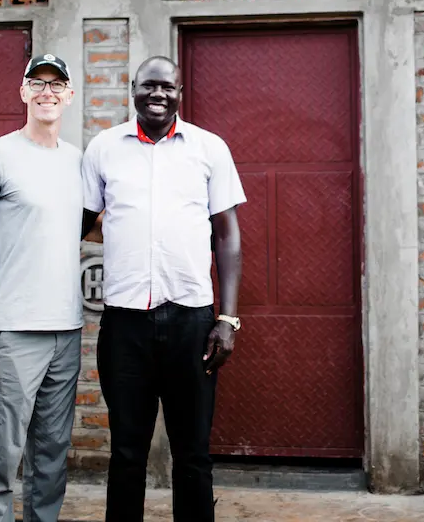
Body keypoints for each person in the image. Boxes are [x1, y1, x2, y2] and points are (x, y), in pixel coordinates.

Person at [81, 55, 246, 522]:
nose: (159, 95)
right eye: (149, 86)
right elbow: (76, 225)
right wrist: (7, 262)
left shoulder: (209, 148)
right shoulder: (103, 148)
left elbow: (228, 235)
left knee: (193, 453)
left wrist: (227, 320)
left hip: (192, 322)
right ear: (133, 89)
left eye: (168, 87)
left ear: (180, 93)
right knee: (127, 453)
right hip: (124, 326)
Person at [0, 53, 84, 522]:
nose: (47, 91)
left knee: (51, 461)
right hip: (11, 334)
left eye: (56, 84)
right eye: (37, 82)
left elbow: (95, 227)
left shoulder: (77, 162)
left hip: (67, 332)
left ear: (69, 94)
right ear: (23, 92)